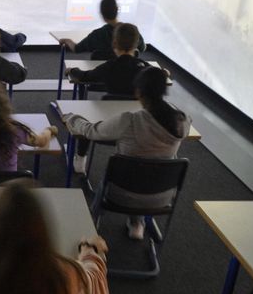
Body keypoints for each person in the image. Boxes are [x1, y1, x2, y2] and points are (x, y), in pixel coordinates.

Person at [60, 67, 191, 240]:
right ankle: (137, 223)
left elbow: (91, 131)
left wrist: (70, 118)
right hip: (163, 196)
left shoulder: (130, 121)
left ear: (138, 91)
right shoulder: (182, 121)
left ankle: (92, 223)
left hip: (120, 194)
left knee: (123, 176)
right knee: (148, 170)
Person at [66, 23, 150, 99]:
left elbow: (84, 76)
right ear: (136, 45)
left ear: (114, 43)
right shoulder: (144, 68)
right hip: (137, 110)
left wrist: (71, 70)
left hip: (110, 111)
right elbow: (160, 74)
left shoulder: (109, 67)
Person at [60, 0, 145, 60]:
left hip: (101, 78)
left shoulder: (97, 35)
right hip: (129, 77)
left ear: (102, 14)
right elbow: (143, 48)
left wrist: (67, 41)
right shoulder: (132, 31)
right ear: (117, 10)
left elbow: (76, 49)